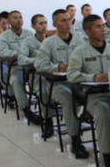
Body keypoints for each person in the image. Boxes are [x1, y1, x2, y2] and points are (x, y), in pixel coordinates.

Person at [68, 15, 110, 167]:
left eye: (102, 26)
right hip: (94, 97)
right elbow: (72, 75)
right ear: (87, 31)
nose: (102, 29)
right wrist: (93, 78)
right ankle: (108, 159)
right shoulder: (80, 51)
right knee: (103, 111)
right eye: (97, 27)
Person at [34, 9, 89, 157]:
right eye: (63, 20)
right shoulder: (48, 43)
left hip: (78, 81)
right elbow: (40, 65)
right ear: (55, 24)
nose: (67, 23)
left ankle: (82, 120)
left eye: (69, 20)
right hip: (56, 83)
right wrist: (57, 67)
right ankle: (75, 139)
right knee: (68, 97)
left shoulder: (79, 40)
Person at [0, 10, 41, 125]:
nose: (19, 20)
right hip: (15, 67)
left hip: (31, 66)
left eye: (20, 17)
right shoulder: (3, 36)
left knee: (44, 81)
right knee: (16, 80)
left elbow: (38, 50)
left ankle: (46, 109)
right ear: (9, 21)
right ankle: (26, 110)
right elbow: (2, 52)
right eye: (15, 18)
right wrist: (19, 54)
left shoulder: (30, 34)